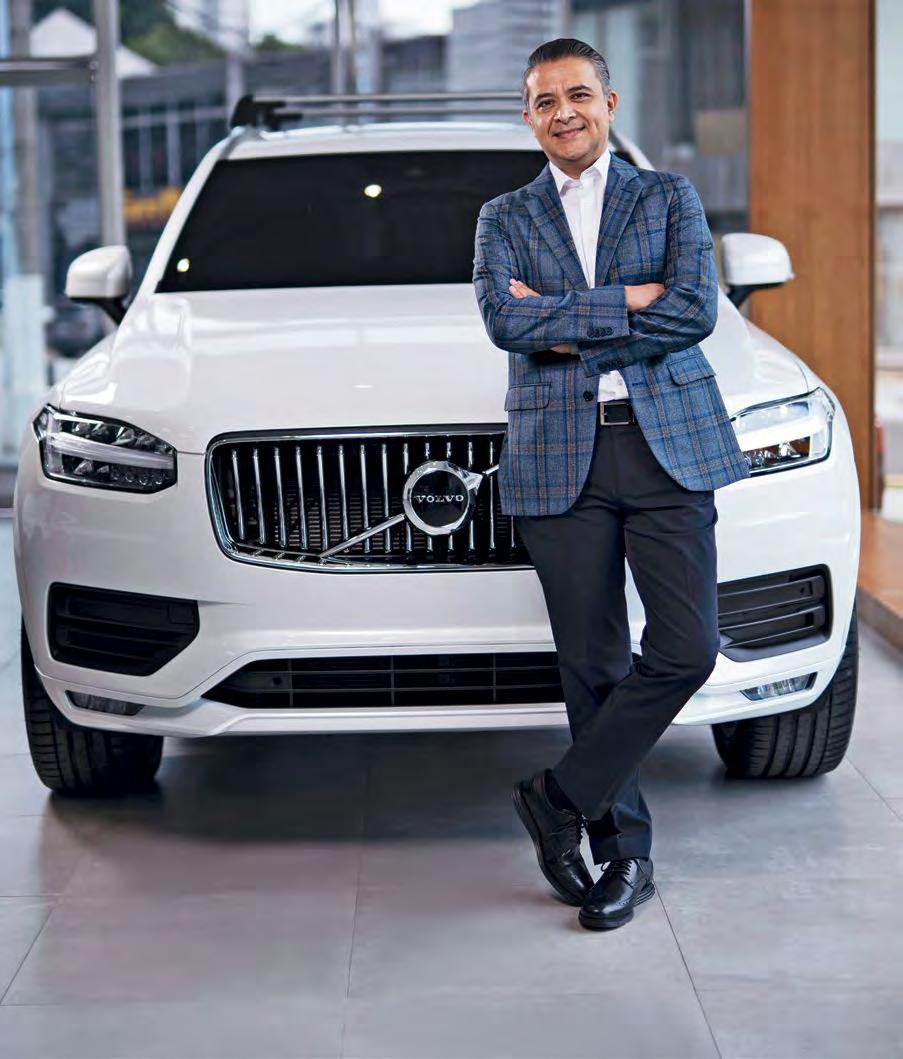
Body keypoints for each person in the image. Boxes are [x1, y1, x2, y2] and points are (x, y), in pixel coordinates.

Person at [472, 38, 750, 932]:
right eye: (544, 100)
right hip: (559, 454)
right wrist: (628, 299)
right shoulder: (502, 216)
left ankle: (558, 796)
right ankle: (625, 855)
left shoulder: (667, 196)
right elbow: (504, 322)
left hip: (667, 445)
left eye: (578, 94)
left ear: (609, 102)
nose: (564, 112)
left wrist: (565, 323)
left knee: (686, 647)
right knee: (592, 665)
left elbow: (692, 309)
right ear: (527, 116)